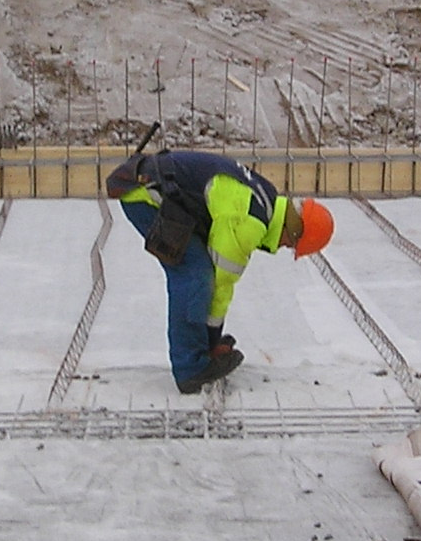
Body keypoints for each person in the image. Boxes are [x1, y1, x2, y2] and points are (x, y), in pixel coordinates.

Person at [105, 146, 334, 393]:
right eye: (291, 245)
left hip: (156, 183)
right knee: (195, 274)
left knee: (199, 272)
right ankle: (190, 369)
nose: (283, 248)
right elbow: (220, 281)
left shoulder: (266, 198)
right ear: (293, 230)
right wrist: (213, 340)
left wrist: (211, 340)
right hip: (144, 195)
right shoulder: (249, 223)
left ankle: (197, 352)